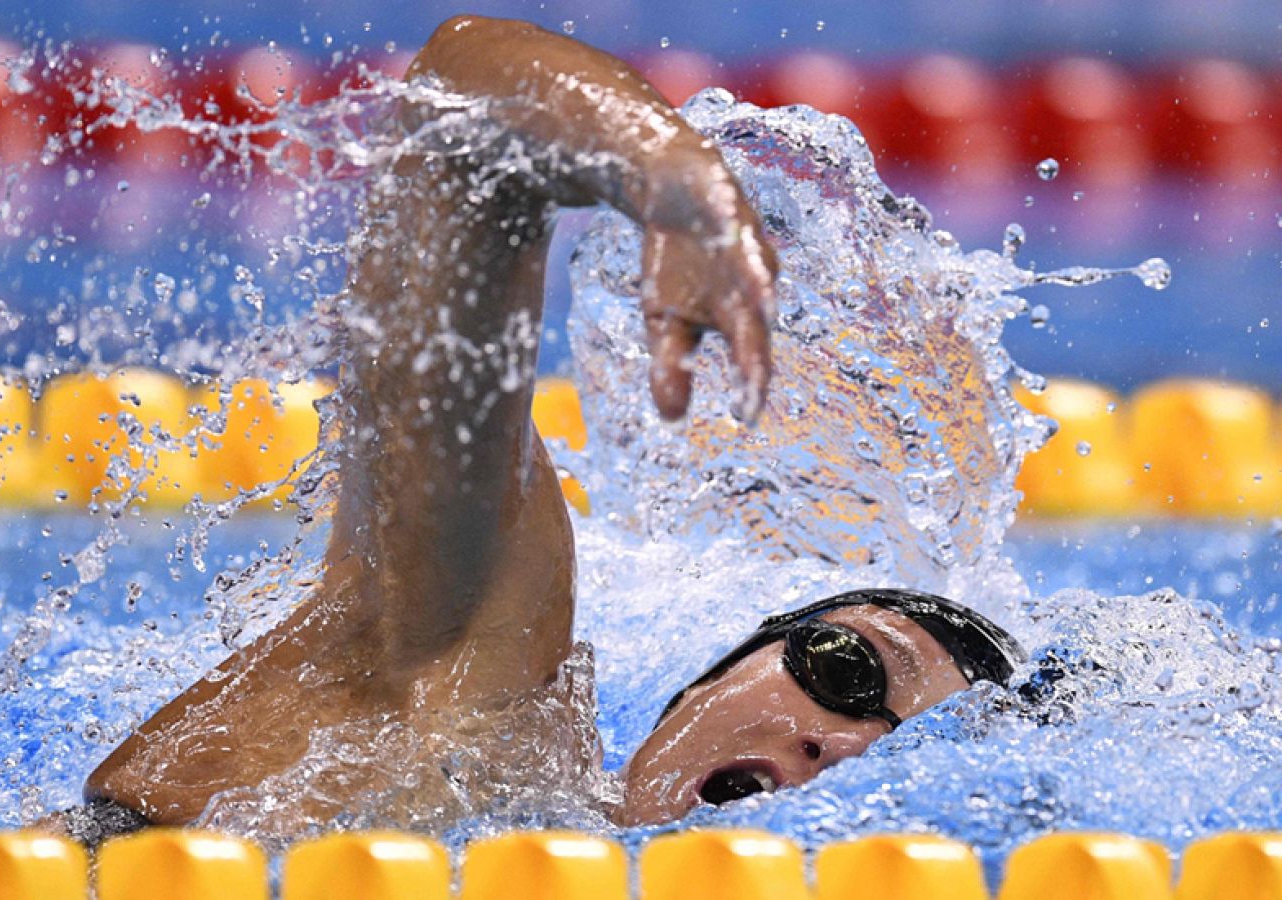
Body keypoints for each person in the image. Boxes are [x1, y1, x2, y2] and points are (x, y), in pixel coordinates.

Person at [60, 15, 1024, 844]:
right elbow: (460, 100)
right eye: (847, 672)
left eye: (900, 753)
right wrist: (678, 186)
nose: (842, 743)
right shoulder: (469, 706)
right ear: (710, 681)